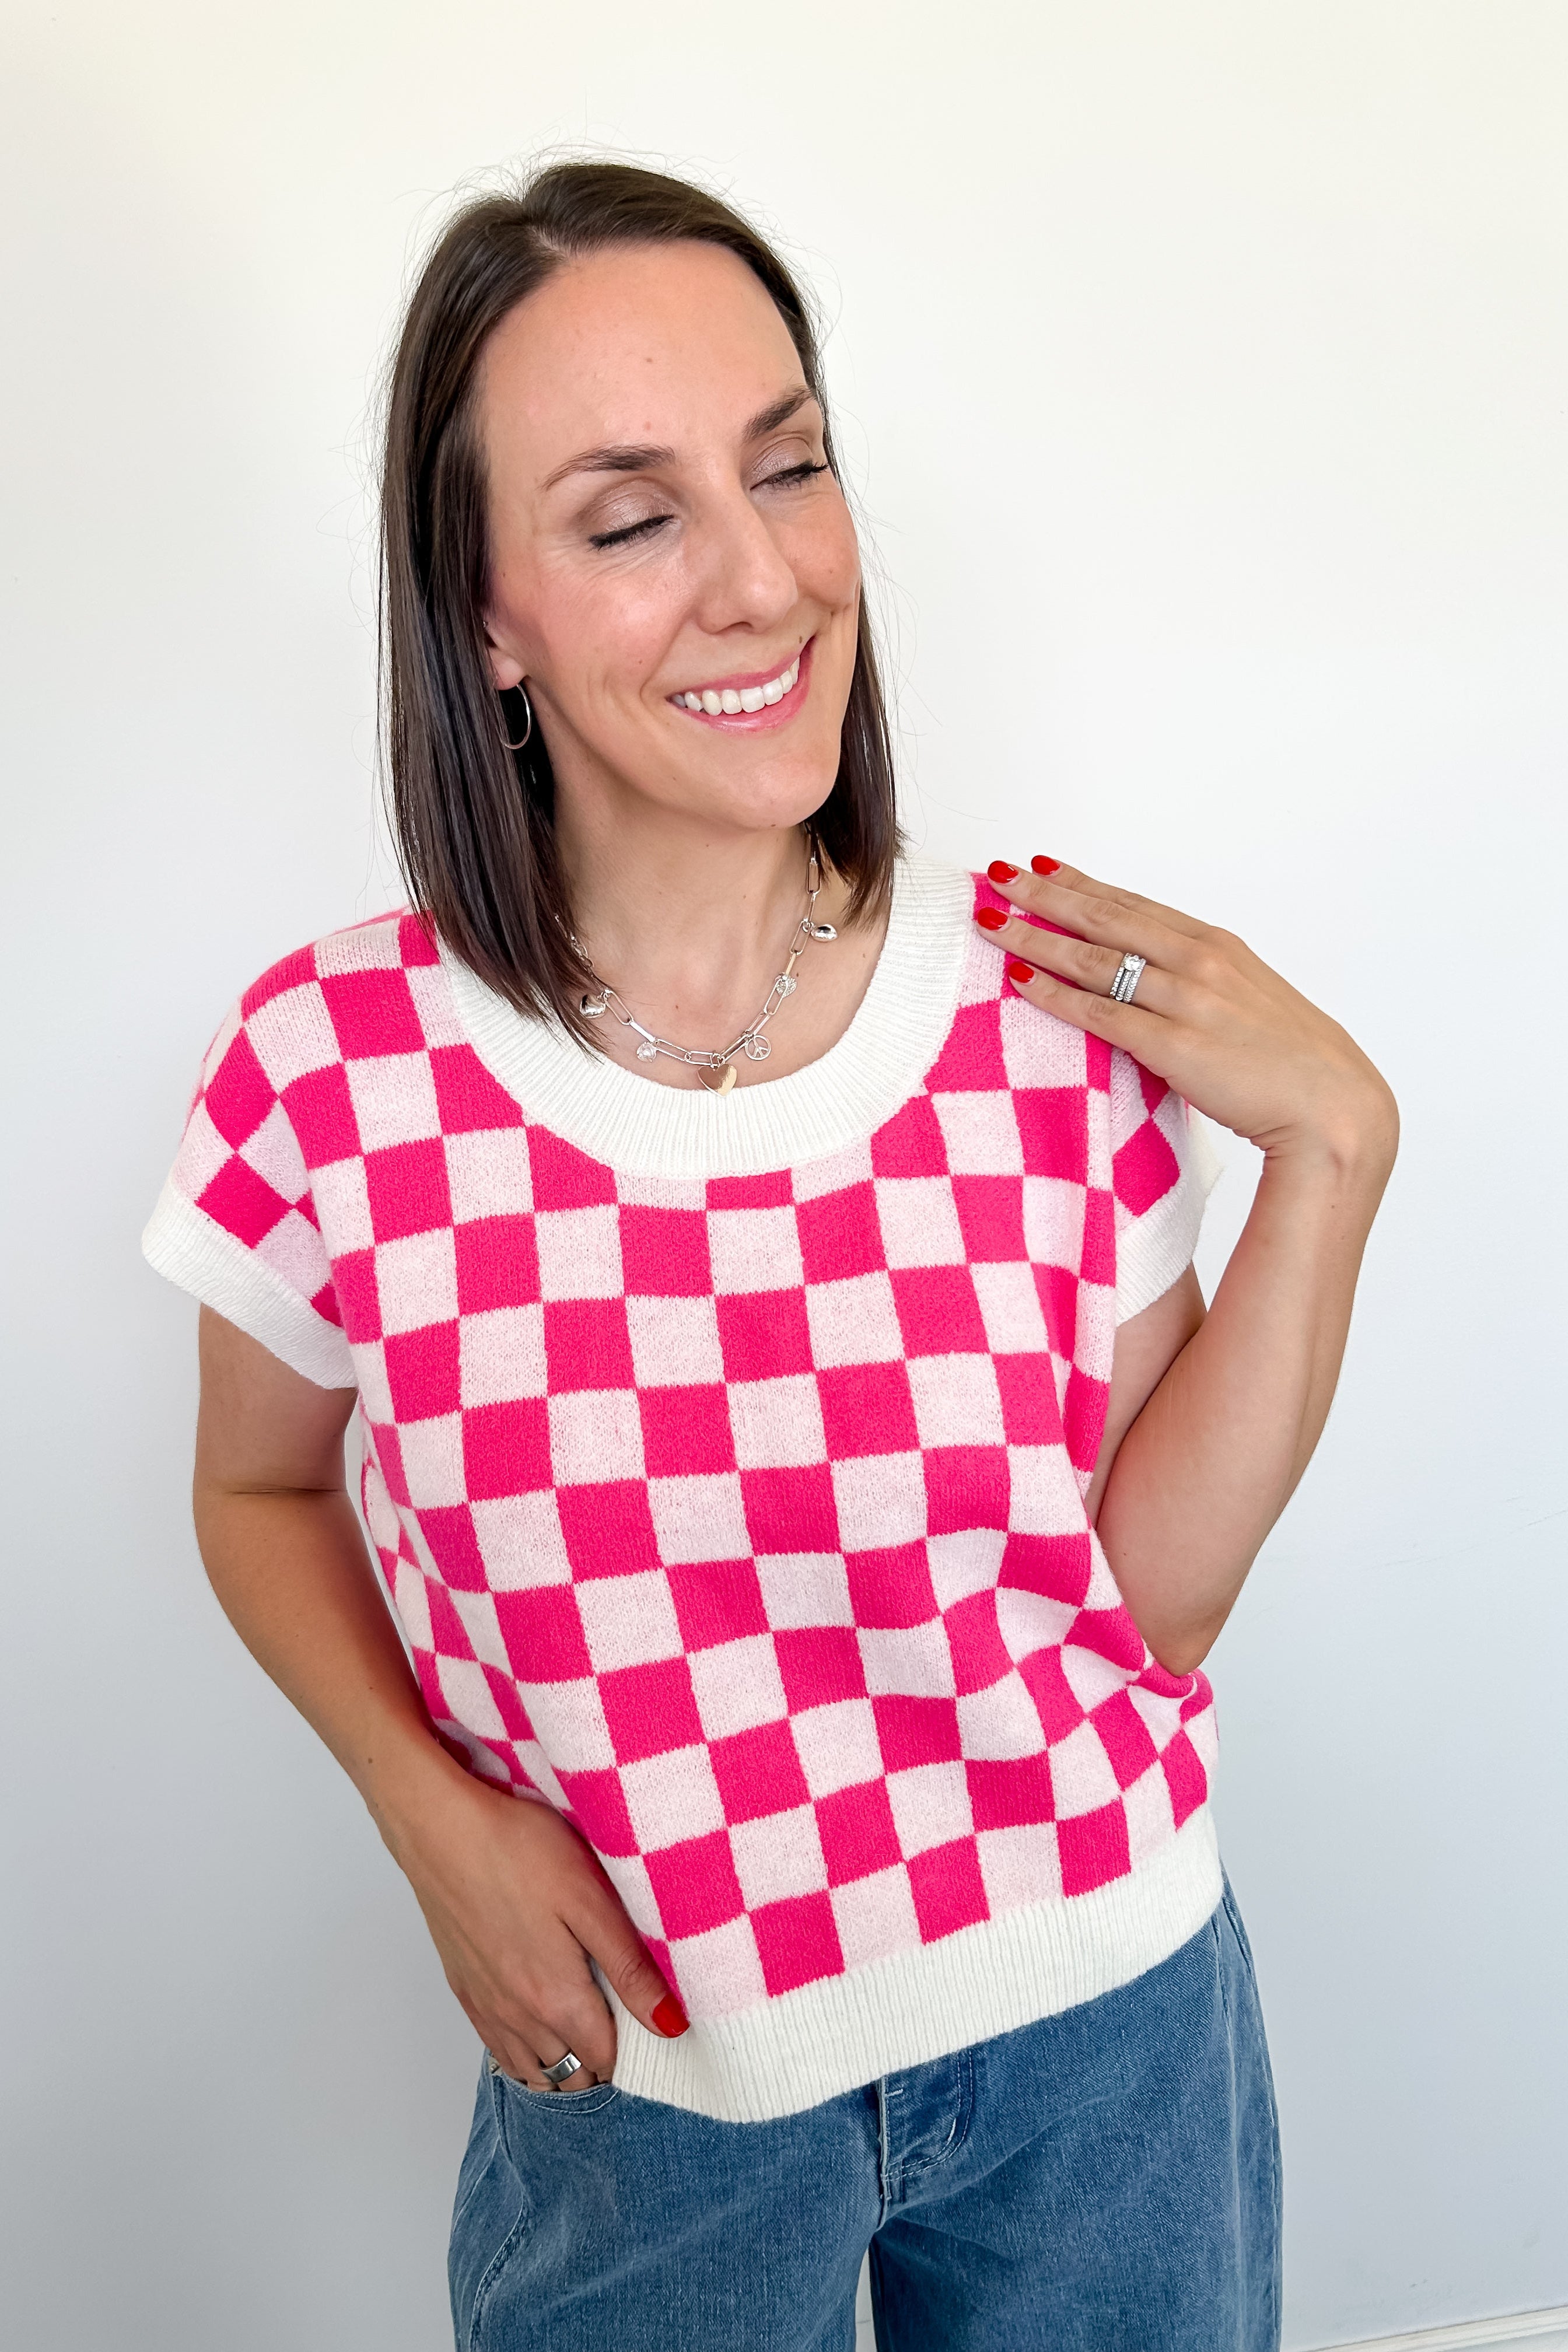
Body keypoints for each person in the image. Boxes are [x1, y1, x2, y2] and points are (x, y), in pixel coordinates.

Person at [142, 162, 1397, 2352]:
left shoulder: (1033, 999)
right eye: (631, 519)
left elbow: (1140, 1608)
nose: (764, 579)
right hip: (645, 2086)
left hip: (1105, 2031)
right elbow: (256, 1490)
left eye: (788, 466)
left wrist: (1337, 1156)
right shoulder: (330, 1069)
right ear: (486, 614)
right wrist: (430, 1819)